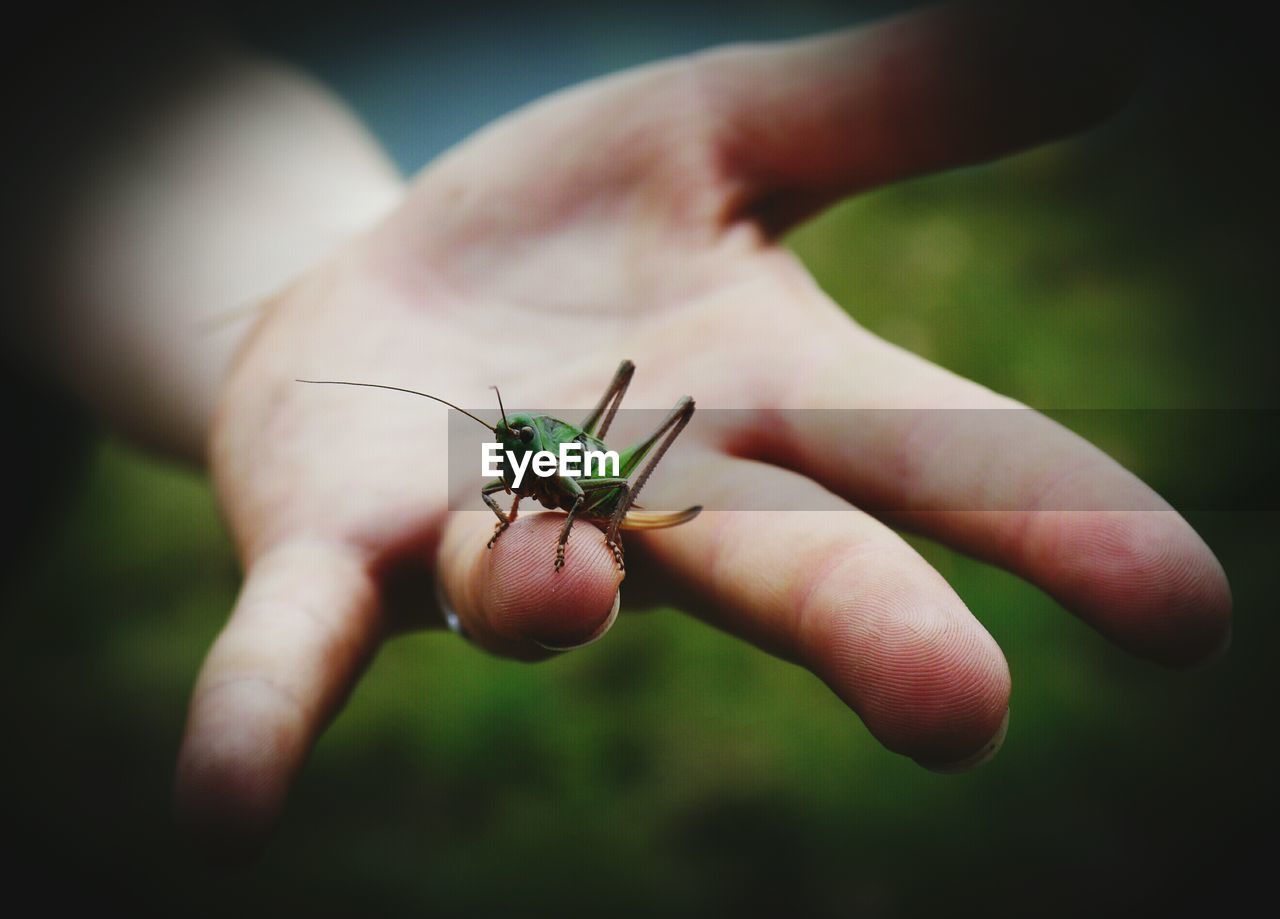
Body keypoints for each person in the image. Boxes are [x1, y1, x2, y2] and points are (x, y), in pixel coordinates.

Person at [6, 2, 1231, 860]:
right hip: (580, 481)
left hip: (606, 478)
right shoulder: (503, 451)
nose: (488, 455)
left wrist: (296, 277)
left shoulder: (533, 457)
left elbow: (70, 81)